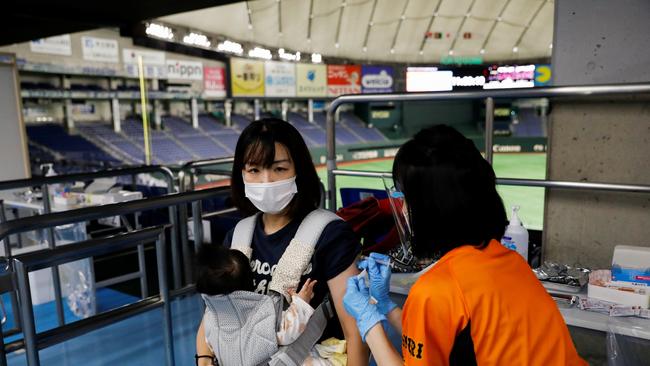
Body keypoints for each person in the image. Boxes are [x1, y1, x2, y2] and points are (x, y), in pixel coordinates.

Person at [343, 125, 586, 365]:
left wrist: (369, 323)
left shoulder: (437, 289)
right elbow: (439, 339)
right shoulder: (510, 262)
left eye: (405, 198)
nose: (403, 208)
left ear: (430, 209)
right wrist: (385, 305)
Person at [196, 118, 367, 365]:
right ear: (241, 174)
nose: (267, 181)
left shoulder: (331, 235)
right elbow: (215, 315)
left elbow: (356, 331)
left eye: (279, 169)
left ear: (298, 171)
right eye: (254, 170)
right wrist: (203, 358)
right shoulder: (236, 236)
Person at [195, 244, 344, 366]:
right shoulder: (260, 314)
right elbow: (288, 332)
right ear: (250, 282)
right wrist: (302, 302)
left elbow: (209, 345)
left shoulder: (211, 318)